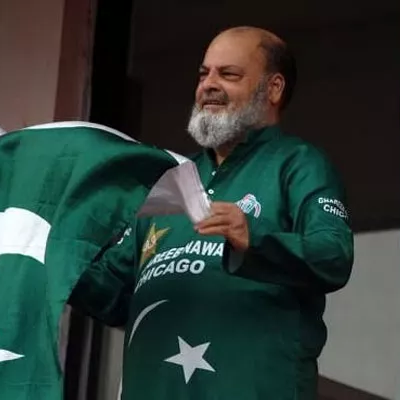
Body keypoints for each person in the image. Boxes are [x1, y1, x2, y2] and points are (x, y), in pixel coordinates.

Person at [69, 26, 354, 399]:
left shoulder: (298, 164)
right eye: (204, 74)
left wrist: (254, 239)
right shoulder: (169, 180)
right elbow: (113, 293)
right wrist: (45, 255)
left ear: (274, 88)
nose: (209, 85)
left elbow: (334, 254)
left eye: (229, 74)